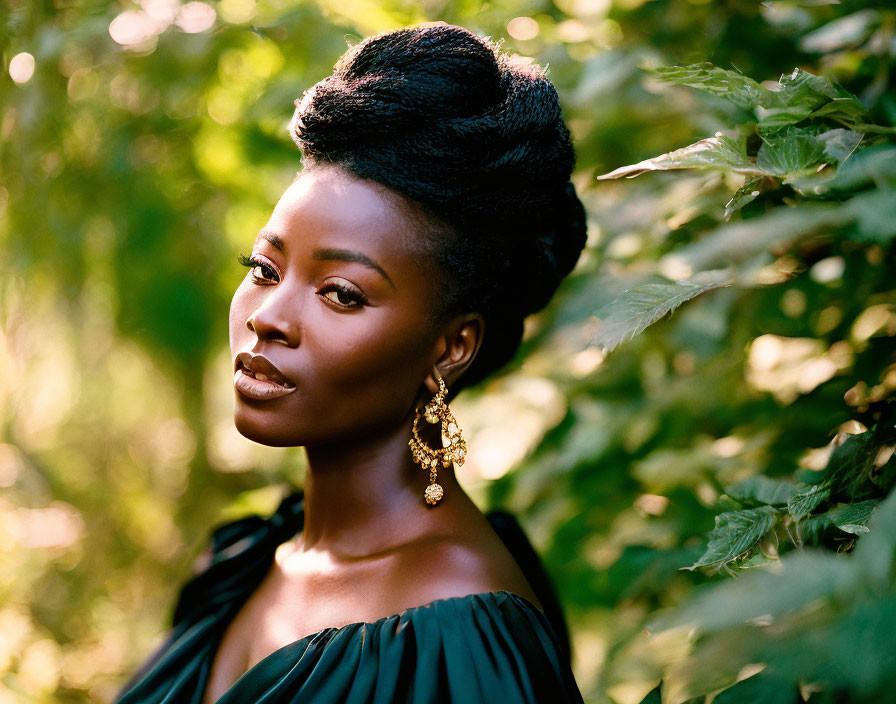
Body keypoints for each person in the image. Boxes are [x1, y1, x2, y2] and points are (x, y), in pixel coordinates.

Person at [116, 22, 587, 704]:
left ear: (451, 347)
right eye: (264, 267)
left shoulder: (461, 632)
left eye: (341, 293)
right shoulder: (243, 562)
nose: (268, 315)